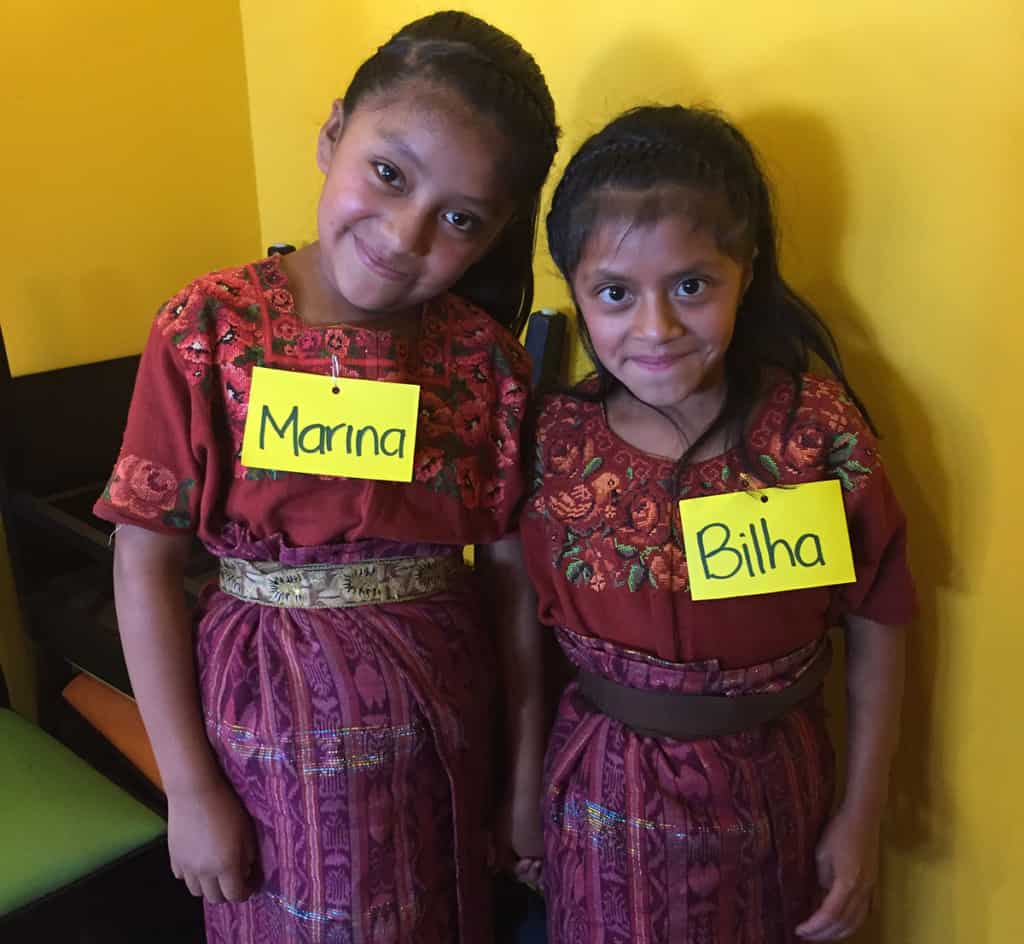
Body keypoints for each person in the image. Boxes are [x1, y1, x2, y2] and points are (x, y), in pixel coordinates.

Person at [93, 11, 558, 942]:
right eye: (388, 174)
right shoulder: (207, 327)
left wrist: (520, 777)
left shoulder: (487, 362)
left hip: (442, 735)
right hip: (267, 742)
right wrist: (188, 790)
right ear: (332, 132)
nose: (403, 233)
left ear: (496, 231)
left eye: (458, 219)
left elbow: (513, 580)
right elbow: (143, 563)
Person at [500, 105, 916, 943]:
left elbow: (880, 619)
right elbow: (518, 634)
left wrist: (862, 816)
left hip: (775, 802)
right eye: (615, 294)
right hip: (598, 800)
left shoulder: (816, 433)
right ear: (577, 291)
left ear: (746, 270)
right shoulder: (555, 440)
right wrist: (517, 796)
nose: (654, 329)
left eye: (691, 285)